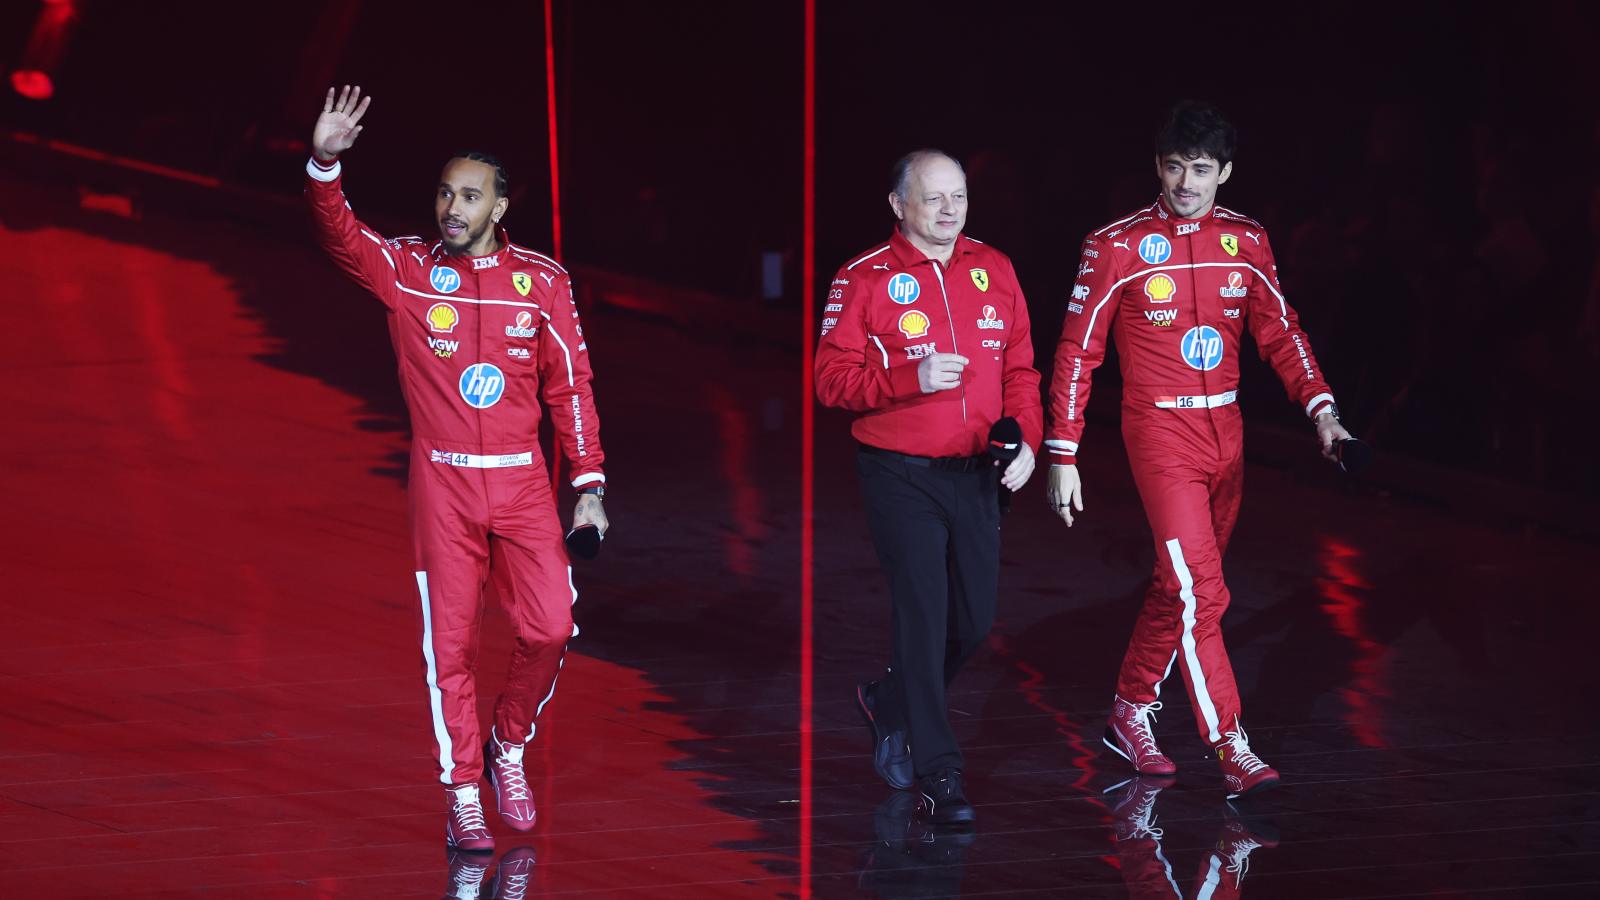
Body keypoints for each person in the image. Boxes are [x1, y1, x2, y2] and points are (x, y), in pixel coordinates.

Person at [305, 86, 609, 850]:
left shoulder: (543, 283)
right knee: (451, 649)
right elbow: (342, 235)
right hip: (442, 483)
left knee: (551, 626)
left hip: (521, 483)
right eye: (445, 192)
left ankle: (509, 744)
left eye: (470, 196)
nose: (452, 206)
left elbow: (570, 386)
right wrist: (325, 163)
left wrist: (589, 489)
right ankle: (464, 790)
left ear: (500, 207)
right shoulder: (407, 270)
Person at [1045, 101, 1351, 800]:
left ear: (1226, 173)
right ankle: (1231, 746)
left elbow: (1282, 331)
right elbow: (1076, 351)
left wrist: (1323, 411)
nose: (1187, 182)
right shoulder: (1115, 243)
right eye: (1176, 166)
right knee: (1199, 590)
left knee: (1177, 591)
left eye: (1202, 169)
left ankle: (1128, 711)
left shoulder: (1248, 239)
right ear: (1158, 166)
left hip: (1227, 433)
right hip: (1157, 431)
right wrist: (1062, 451)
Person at [816, 149, 1043, 825]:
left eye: (959, 197)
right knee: (923, 615)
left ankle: (890, 703)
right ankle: (939, 772)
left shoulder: (995, 268)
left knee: (972, 623)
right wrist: (906, 381)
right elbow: (830, 381)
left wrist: (1027, 439)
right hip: (899, 474)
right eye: (933, 199)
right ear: (897, 205)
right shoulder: (865, 278)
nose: (949, 211)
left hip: (977, 477)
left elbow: (1023, 367)